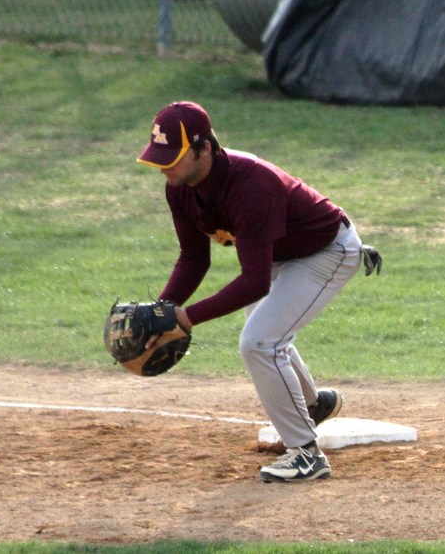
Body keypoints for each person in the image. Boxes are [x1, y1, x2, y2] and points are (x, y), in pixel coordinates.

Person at [137, 101, 382, 482]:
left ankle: (305, 454)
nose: (164, 166)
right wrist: (163, 310)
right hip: (282, 252)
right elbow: (193, 258)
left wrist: (184, 319)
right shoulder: (180, 189)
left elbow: (254, 282)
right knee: (266, 332)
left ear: (205, 149)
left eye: (174, 157)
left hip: (328, 250)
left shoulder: (250, 184)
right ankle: (315, 406)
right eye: (160, 157)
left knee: (259, 341)